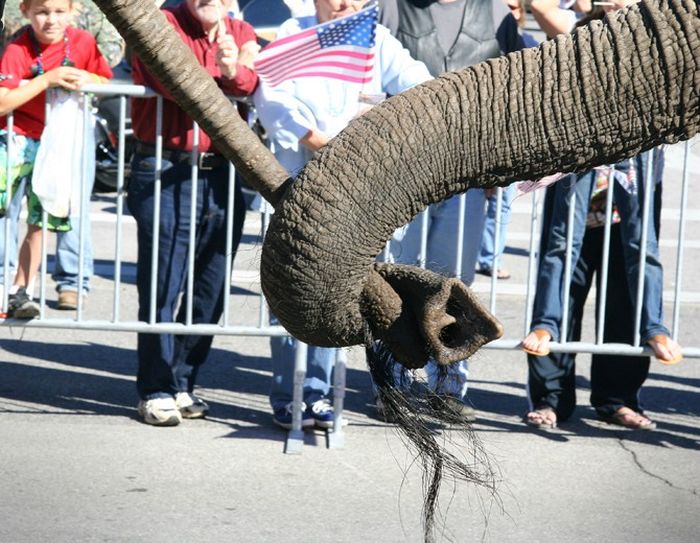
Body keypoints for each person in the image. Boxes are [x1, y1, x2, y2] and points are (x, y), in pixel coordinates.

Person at [253, 0, 432, 430]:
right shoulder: (294, 33)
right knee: (292, 291)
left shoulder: (376, 37)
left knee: (344, 296)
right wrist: (316, 138)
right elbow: (272, 97)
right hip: (297, 186)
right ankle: (290, 395)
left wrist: (379, 116)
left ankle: (324, 394)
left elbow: (420, 85)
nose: (347, 3)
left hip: (360, 193)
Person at [377, 0, 524, 422]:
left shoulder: (498, 15)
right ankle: (392, 385)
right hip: (401, 176)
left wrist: (500, 163)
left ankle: (449, 385)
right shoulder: (391, 9)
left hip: (468, 177)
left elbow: (514, 93)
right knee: (397, 282)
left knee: (456, 287)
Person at [127, 0, 258, 426]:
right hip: (165, 168)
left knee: (211, 289)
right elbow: (169, 80)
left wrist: (234, 70)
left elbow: (253, 83)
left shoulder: (239, 31)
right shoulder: (159, 23)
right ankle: (156, 389)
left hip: (220, 174)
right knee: (163, 285)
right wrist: (223, 75)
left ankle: (183, 382)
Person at [0, 0, 125, 312]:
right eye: (42, 12)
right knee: (6, 213)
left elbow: (103, 76)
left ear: (73, 11)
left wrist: (87, 79)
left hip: (60, 140)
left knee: (43, 217)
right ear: (26, 12)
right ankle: (4, 281)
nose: (51, 20)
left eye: (59, 12)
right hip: (17, 139)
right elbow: (3, 102)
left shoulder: (82, 42)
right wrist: (47, 79)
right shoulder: (19, 47)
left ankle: (21, 289)